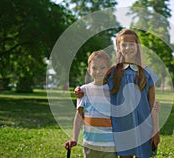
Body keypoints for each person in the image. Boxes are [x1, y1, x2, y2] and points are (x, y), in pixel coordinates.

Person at [74, 29, 160, 158]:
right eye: (124, 44)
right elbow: (96, 85)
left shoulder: (147, 73)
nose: (128, 48)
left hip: (143, 127)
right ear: (118, 47)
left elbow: (153, 104)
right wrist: (80, 90)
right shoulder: (112, 72)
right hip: (122, 128)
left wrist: (155, 130)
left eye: (132, 44)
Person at [65, 50, 117, 158]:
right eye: (94, 68)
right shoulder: (83, 91)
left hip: (111, 144)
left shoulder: (113, 90)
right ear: (89, 70)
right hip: (90, 144)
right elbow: (79, 116)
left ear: (108, 70)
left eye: (103, 68)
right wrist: (74, 138)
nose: (98, 71)